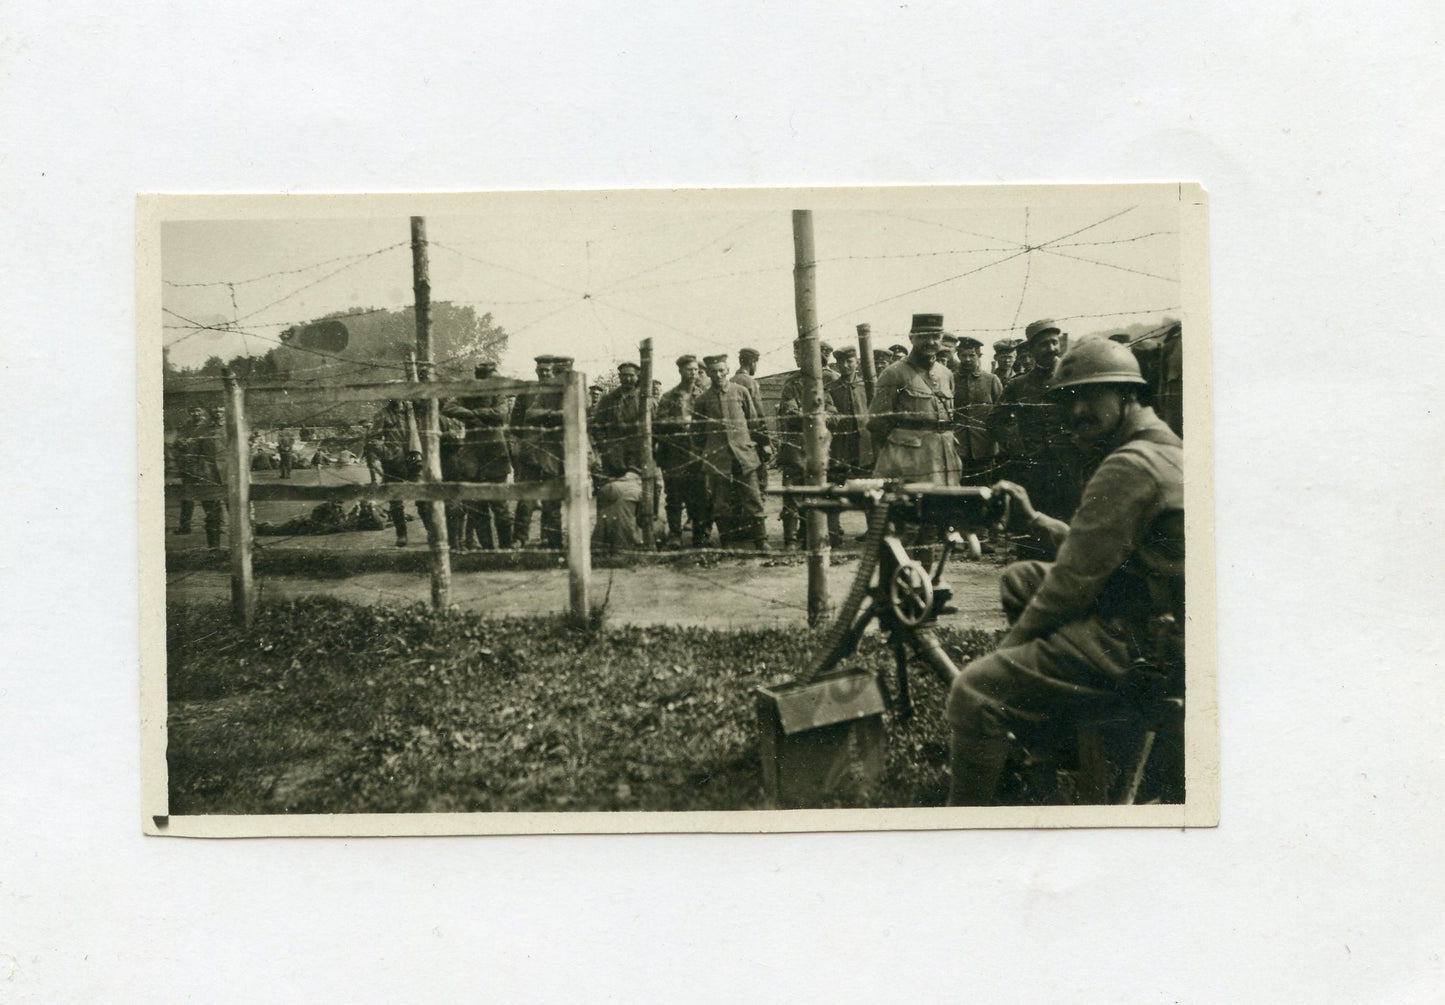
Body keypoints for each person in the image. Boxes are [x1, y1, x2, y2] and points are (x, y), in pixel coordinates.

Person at [945, 337, 1184, 805]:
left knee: (974, 690)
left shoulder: (1130, 466)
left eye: (1090, 397)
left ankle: (962, 824)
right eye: (1067, 400)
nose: (1076, 413)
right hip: (1160, 615)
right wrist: (1033, 521)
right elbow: (1099, 546)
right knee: (1021, 578)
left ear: (1127, 394)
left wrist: (1004, 658)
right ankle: (1051, 726)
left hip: (1146, 642)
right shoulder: (1162, 446)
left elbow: (1071, 584)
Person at [988, 319, 1081, 553]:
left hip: (1070, 469)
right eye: (1044, 344)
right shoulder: (1018, 385)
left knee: (1070, 534)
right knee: (1032, 536)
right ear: (1030, 351)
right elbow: (995, 421)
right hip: (1033, 472)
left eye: (1054, 342)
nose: (1051, 348)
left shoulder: (1075, 378)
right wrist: (1018, 447)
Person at [868, 313, 960, 485]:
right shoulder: (894, 373)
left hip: (946, 458)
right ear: (911, 338)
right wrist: (898, 451)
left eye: (936, 336)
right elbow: (877, 422)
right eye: (924, 336)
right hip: (910, 461)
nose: (931, 342)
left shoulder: (945, 374)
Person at [693, 354, 773, 551]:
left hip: (744, 456)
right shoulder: (703, 400)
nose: (718, 374)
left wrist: (762, 445)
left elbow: (754, 422)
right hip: (718, 458)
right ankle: (727, 542)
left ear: (728, 370)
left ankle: (761, 540)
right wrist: (706, 453)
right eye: (714, 371)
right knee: (722, 502)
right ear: (709, 373)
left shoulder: (741, 392)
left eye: (721, 370)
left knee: (753, 498)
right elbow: (697, 432)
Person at [441, 360, 514, 550]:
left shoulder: (499, 393)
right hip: (472, 456)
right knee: (477, 507)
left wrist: (475, 412)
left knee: (500, 506)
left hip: (495, 453)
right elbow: (448, 408)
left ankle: (506, 548)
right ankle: (488, 550)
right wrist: (474, 416)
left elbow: (500, 414)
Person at [775, 340, 839, 550]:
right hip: (795, 448)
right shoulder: (791, 385)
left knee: (817, 492)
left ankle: (812, 535)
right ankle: (791, 539)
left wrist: (813, 417)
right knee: (792, 493)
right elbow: (791, 414)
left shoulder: (822, 385)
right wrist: (818, 417)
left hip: (818, 449)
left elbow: (834, 415)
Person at [510, 355, 566, 549]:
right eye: (540, 371)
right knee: (526, 498)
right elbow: (515, 424)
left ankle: (552, 540)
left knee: (552, 501)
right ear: (536, 371)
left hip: (553, 452)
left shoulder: (561, 392)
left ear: (554, 372)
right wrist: (528, 438)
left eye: (547, 371)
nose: (544, 374)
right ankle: (519, 539)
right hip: (531, 453)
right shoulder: (527, 392)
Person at [362, 399, 434, 548]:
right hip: (394, 462)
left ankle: (431, 532)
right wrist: (389, 453)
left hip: (416, 459)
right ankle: (402, 535)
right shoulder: (382, 415)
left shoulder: (414, 410)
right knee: (396, 501)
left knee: (422, 496)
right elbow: (373, 439)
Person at [654, 354, 709, 548]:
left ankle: (699, 536)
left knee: (699, 496)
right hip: (674, 454)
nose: (693, 373)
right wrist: (680, 423)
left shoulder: (703, 395)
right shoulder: (669, 397)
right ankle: (675, 535)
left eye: (695, 369)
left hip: (697, 453)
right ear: (680, 371)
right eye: (689, 369)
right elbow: (658, 423)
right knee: (674, 496)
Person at [824, 346, 873, 547]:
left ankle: (874, 531)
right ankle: (833, 533)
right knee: (835, 488)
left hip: (864, 445)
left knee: (869, 488)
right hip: (840, 446)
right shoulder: (832, 388)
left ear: (857, 362)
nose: (846, 366)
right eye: (841, 362)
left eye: (850, 361)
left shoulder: (867, 386)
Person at [952, 335, 1004, 485]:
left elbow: (1000, 412)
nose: (967, 359)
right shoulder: (952, 379)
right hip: (959, 446)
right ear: (958, 356)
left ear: (979, 356)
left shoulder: (991, 380)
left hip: (985, 447)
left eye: (971, 355)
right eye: (963, 355)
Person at [594, 361, 646, 476]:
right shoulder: (608, 399)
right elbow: (597, 427)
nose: (628, 379)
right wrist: (605, 449)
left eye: (631, 375)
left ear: (637, 377)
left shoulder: (644, 399)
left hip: (638, 454)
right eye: (624, 375)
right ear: (619, 376)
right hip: (614, 455)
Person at [174, 406, 208, 534]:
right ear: (189, 413)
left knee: (207, 496)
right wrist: (181, 442)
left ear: (203, 411)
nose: (196, 413)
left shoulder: (208, 427)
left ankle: (212, 525)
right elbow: (176, 443)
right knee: (187, 497)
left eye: (198, 410)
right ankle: (185, 526)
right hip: (189, 467)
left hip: (205, 467)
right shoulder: (185, 427)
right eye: (193, 411)